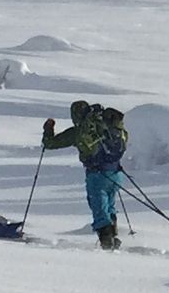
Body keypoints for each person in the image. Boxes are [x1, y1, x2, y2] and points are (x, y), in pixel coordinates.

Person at [40, 101, 129, 250]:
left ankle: (107, 244)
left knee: (99, 209)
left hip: (97, 176)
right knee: (109, 206)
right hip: (116, 174)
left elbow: (50, 143)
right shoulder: (105, 125)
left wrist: (48, 129)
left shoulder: (80, 130)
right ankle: (113, 237)